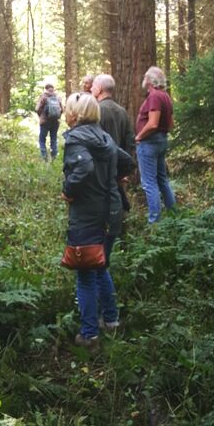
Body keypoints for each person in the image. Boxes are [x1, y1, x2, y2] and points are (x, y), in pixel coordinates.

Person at [62, 92, 127, 348]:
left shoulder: (76, 138)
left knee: (86, 275)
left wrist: (69, 189)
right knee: (100, 267)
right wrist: (111, 179)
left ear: (76, 114)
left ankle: (89, 334)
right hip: (111, 211)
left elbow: (85, 167)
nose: (66, 114)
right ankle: (111, 321)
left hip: (89, 215)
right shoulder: (105, 137)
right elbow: (128, 161)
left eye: (68, 109)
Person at [135, 66, 176, 223]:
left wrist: (139, 136)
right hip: (161, 141)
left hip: (149, 143)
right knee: (162, 180)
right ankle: (174, 215)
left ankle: (155, 223)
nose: (143, 79)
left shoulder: (154, 97)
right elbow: (171, 124)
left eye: (145, 77)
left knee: (149, 183)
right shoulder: (165, 96)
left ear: (151, 81)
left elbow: (152, 124)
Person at [92, 73, 136, 210]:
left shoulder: (96, 110)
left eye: (93, 86)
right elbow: (130, 141)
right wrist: (124, 170)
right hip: (118, 165)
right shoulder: (122, 111)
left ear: (99, 89)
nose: (91, 89)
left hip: (102, 166)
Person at [35, 83, 63, 160]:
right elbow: (62, 109)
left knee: (42, 139)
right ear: (52, 88)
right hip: (55, 121)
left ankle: (44, 157)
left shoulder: (43, 97)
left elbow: (37, 109)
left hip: (44, 121)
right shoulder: (57, 97)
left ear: (46, 88)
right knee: (53, 139)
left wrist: (40, 115)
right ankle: (54, 157)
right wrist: (57, 116)